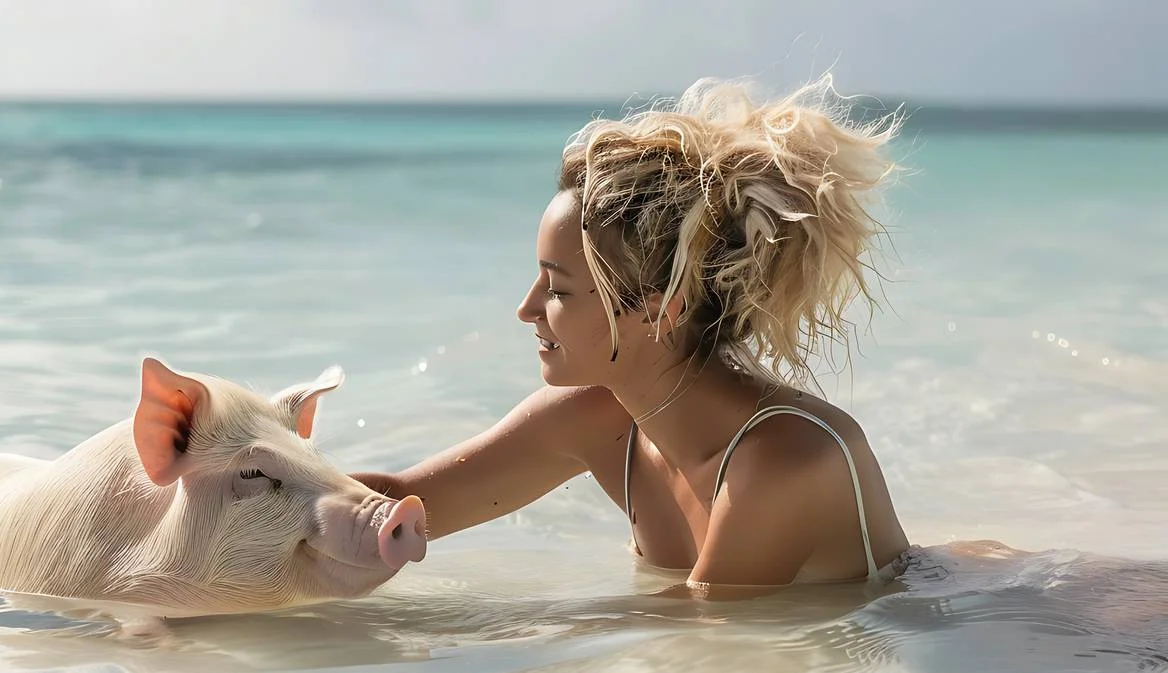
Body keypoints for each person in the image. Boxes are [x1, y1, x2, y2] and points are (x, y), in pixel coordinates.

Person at [353, 76, 915, 597]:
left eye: (558, 289)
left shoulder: (785, 462)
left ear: (659, 312)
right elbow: (398, 500)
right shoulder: (600, 416)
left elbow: (698, 638)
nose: (526, 309)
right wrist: (269, 462)